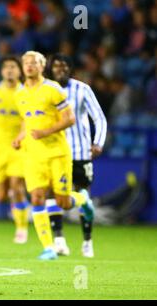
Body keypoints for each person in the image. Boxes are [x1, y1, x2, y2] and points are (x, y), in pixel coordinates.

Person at [12, 51, 94, 260]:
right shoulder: (19, 94)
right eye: (26, 63)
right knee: (37, 197)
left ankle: (82, 198)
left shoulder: (53, 89)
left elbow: (70, 119)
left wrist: (45, 132)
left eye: (34, 63)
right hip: (33, 155)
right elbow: (27, 121)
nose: (29, 66)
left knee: (63, 202)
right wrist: (20, 137)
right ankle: (49, 247)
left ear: (42, 66)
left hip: (57, 153)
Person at [47, 54, 107, 258]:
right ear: (51, 69)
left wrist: (98, 142)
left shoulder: (82, 89)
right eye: (56, 66)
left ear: (70, 69)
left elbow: (98, 117)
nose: (60, 69)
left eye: (64, 66)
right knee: (51, 193)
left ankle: (87, 241)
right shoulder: (44, 90)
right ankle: (59, 240)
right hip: (53, 153)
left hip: (79, 152)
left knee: (83, 193)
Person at [0, 56, 29, 244]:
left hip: (19, 148)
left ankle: (21, 228)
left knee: (17, 186)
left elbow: (29, 118)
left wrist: (22, 136)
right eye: (6, 67)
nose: (9, 70)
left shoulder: (26, 93)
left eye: (13, 67)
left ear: (20, 71)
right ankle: (9, 196)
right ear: (2, 71)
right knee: (0, 195)